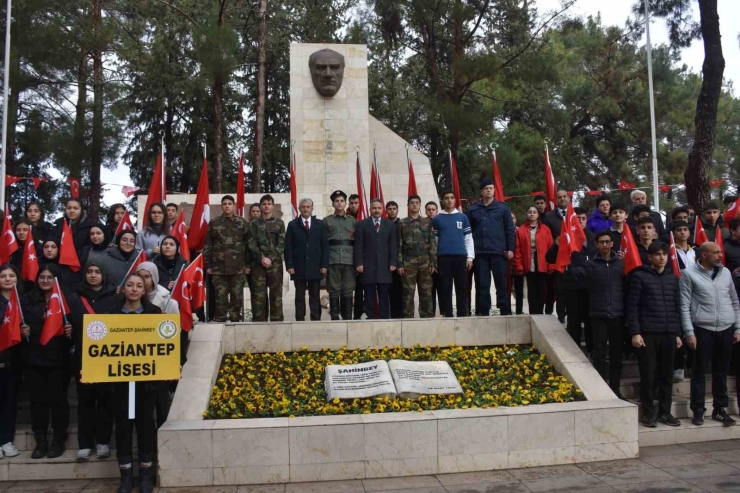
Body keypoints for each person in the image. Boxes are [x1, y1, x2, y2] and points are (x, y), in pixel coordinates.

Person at [104, 273, 163, 493]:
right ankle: (126, 477)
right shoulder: (111, 315)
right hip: (119, 385)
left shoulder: (154, 313)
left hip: (146, 385)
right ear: (123, 288)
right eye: (130, 285)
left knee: (146, 428)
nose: (134, 289)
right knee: (123, 430)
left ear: (144, 290)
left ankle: (146, 476)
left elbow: (163, 347)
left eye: (139, 285)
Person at [681, 242, 740, 426]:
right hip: (702, 328)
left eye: (721, 252)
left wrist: (737, 327)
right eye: (716, 252)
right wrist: (689, 332)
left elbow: (734, 301)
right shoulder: (689, 274)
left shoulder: (726, 273)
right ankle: (698, 410)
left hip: (726, 328)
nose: (720, 255)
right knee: (699, 372)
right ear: (704, 254)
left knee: (721, 372)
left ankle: (719, 409)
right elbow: (684, 305)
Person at [628, 242, 683, 427]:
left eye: (665, 254)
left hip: (668, 334)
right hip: (648, 334)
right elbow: (633, 307)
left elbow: (677, 307)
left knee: (667, 376)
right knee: (649, 375)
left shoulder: (672, 278)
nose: (662, 257)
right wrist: (635, 332)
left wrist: (677, 333)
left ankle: (665, 412)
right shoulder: (639, 276)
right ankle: (649, 412)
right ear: (649, 257)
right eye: (657, 254)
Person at [20, 265, 73, 459]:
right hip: (34, 359)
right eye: (42, 277)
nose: (45, 280)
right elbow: (16, 324)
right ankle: (40, 440)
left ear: (56, 280)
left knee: (58, 401)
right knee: (38, 402)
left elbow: (75, 325)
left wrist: (70, 331)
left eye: (50, 277)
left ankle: (58, 438)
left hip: (59, 359)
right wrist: (22, 331)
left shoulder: (64, 301)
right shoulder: (26, 301)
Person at [73, 260, 117, 461]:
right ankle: (84, 444)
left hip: (106, 359)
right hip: (83, 359)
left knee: (106, 402)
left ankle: (103, 442)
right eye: (89, 271)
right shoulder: (75, 298)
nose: (93, 275)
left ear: (103, 274)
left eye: (97, 272)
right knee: (85, 402)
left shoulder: (114, 298)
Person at [574, 231, 626, 397]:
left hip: (618, 315)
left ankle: (616, 389)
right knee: (600, 355)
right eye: (601, 242)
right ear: (596, 245)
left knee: (617, 356)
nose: (605, 245)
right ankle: (602, 390)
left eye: (607, 242)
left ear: (612, 244)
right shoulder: (590, 265)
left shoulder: (621, 264)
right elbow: (574, 274)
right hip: (598, 316)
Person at [546, 207, 596, 352]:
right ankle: (575, 352)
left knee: (590, 321)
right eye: (577, 219)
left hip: (590, 288)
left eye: (583, 218)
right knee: (573, 322)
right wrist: (556, 245)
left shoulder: (593, 238)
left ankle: (592, 351)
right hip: (571, 287)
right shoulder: (564, 238)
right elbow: (549, 258)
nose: (580, 222)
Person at [467, 178, 515, 316]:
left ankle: (505, 310)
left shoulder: (503, 208)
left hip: (499, 252)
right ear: (482, 191)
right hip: (480, 253)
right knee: (482, 285)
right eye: (486, 188)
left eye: (491, 188)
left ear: (494, 190)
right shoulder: (473, 209)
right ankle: (483, 311)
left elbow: (509, 230)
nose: (489, 190)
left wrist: (510, 248)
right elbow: (468, 232)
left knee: (502, 284)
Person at [204, 196, 249, 322]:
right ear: (221, 206)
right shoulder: (214, 223)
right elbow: (208, 245)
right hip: (219, 268)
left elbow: (248, 245)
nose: (227, 206)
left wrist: (248, 265)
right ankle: (220, 319)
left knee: (237, 296)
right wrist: (208, 265)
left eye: (229, 204)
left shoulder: (242, 222)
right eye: (224, 204)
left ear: (234, 206)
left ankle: (235, 319)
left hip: (238, 267)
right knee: (220, 297)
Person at [285, 198, 329, 321]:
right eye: (303, 207)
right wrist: (289, 265)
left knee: (314, 295)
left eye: (308, 207)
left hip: (316, 267)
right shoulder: (293, 225)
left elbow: (325, 246)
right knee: (299, 295)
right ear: (299, 209)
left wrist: (324, 264)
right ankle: (300, 319)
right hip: (298, 267)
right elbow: (288, 247)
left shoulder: (320, 224)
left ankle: (315, 319)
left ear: (312, 208)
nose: (305, 209)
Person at [433, 191, 474, 317]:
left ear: (455, 200)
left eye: (451, 198)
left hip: (461, 257)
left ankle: (462, 314)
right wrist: (435, 260)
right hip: (443, 258)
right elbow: (435, 242)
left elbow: (468, 238)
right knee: (446, 287)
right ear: (442, 201)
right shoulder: (437, 219)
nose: (449, 200)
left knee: (462, 287)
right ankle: (448, 314)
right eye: (446, 198)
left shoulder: (463, 217)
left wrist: (470, 257)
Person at [354, 199, 398, 319]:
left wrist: (393, 262)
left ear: (382, 209)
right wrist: (359, 263)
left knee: (384, 295)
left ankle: (384, 318)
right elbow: (358, 246)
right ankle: (371, 317)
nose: (376, 210)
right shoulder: (361, 224)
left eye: (379, 208)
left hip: (385, 266)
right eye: (374, 208)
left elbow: (393, 245)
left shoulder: (389, 224)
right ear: (370, 209)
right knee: (369, 295)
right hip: (368, 266)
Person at [398, 195, 437, 318]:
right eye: (412, 203)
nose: (414, 205)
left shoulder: (427, 222)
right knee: (408, 291)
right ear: (408, 206)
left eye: (417, 203)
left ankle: (427, 317)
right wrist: (400, 263)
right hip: (408, 260)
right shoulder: (402, 222)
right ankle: (407, 318)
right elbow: (398, 244)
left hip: (425, 260)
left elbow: (432, 243)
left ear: (420, 205)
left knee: (426, 291)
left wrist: (433, 263)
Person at [248, 194, 286, 322]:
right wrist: (262, 258)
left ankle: (277, 324)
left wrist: (270, 258)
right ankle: (259, 323)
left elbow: (282, 243)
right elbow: (251, 243)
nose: (266, 206)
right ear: (261, 206)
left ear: (273, 206)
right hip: (258, 265)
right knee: (259, 296)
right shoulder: (254, 224)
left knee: (276, 295)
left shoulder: (279, 223)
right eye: (264, 204)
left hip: (275, 265)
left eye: (269, 204)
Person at [514, 206, 553, 314]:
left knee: (541, 290)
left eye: (534, 212)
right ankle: (533, 314)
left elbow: (551, 248)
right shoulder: (521, 230)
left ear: (538, 215)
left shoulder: (545, 229)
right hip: (528, 263)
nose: (532, 214)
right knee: (531, 291)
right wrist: (519, 265)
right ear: (527, 214)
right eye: (530, 212)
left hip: (543, 263)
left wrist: (551, 265)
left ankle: (540, 313)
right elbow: (517, 249)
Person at [0, 265, 21, 459]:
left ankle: (7, 441)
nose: (7, 279)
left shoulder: (22, 301)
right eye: (3, 276)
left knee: (9, 403)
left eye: (11, 275)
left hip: (14, 361)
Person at [324, 191, 356, 320]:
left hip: (349, 260)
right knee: (333, 289)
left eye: (342, 200)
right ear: (333, 204)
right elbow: (322, 243)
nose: (339, 203)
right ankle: (335, 318)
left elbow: (357, 243)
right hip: (333, 259)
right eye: (337, 201)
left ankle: (347, 318)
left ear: (345, 203)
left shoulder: (353, 221)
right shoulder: (326, 221)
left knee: (348, 289)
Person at [542, 190, 571, 320]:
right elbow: (545, 238)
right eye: (559, 197)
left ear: (569, 198)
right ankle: (560, 317)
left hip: (574, 258)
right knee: (558, 290)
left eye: (565, 196)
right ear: (555, 200)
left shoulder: (575, 214)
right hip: (556, 258)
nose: (562, 199)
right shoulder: (548, 217)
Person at [347, 194, 364, 318]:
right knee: (347, 289)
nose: (353, 205)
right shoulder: (345, 217)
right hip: (347, 257)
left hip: (362, 259)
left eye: (356, 203)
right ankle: (346, 314)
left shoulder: (364, 217)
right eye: (351, 203)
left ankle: (357, 315)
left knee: (360, 288)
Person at [386, 201, 403, 318]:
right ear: (386, 210)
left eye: (394, 208)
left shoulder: (402, 224)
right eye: (390, 208)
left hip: (400, 262)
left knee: (400, 290)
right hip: (386, 263)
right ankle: (389, 314)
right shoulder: (383, 224)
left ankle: (399, 315)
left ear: (397, 210)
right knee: (388, 291)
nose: (392, 210)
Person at [425, 201, 443, 315]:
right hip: (427, 263)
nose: (431, 212)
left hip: (442, 262)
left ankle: (444, 313)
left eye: (433, 209)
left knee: (442, 289)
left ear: (437, 210)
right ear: (426, 211)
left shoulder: (442, 222)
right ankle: (430, 314)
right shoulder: (423, 223)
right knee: (429, 291)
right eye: (429, 209)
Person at [510, 212, 525, 315]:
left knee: (519, 290)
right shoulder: (501, 231)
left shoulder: (520, 231)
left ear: (516, 220)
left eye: (513, 218)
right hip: (506, 264)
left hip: (518, 264)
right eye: (509, 218)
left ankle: (519, 311)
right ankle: (505, 310)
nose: (511, 220)